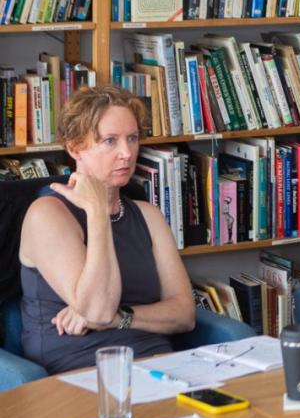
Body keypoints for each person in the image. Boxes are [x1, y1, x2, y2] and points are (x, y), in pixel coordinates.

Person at [19, 86, 195, 374]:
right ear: (75, 147)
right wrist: (98, 212)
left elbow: (184, 314)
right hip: (79, 372)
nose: (127, 153)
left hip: (158, 367)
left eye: (133, 138)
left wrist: (120, 318)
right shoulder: (47, 215)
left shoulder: (148, 216)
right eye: (110, 141)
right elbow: (98, 309)